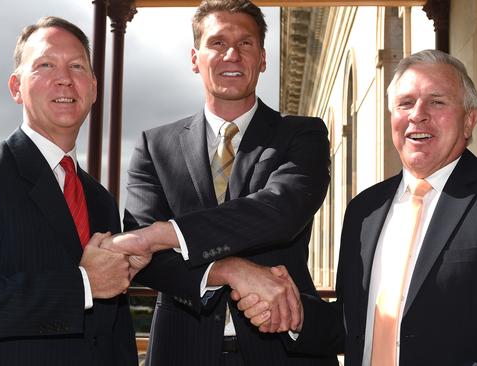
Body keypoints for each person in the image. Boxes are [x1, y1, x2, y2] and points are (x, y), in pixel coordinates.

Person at [239, 49, 477, 365]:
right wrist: (290, 313)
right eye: (405, 103)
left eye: (437, 102)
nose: (417, 115)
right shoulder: (363, 211)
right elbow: (353, 327)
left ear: (469, 120)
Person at [100, 1, 338, 365]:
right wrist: (228, 270)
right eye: (217, 43)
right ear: (195, 58)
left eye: (246, 44)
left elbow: (279, 211)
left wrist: (163, 234)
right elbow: (148, 260)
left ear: (262, 59)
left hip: (284, 349)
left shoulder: (303, 134)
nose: (232, 54)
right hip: (181, 350)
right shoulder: (154, 145)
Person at [0, 16, 139, 366]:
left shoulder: (101, 199)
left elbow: (113, 331)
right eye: (45, 65)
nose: (64, 78)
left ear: (94, 88)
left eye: (77, 66)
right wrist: (82, 284)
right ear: (16, 87)